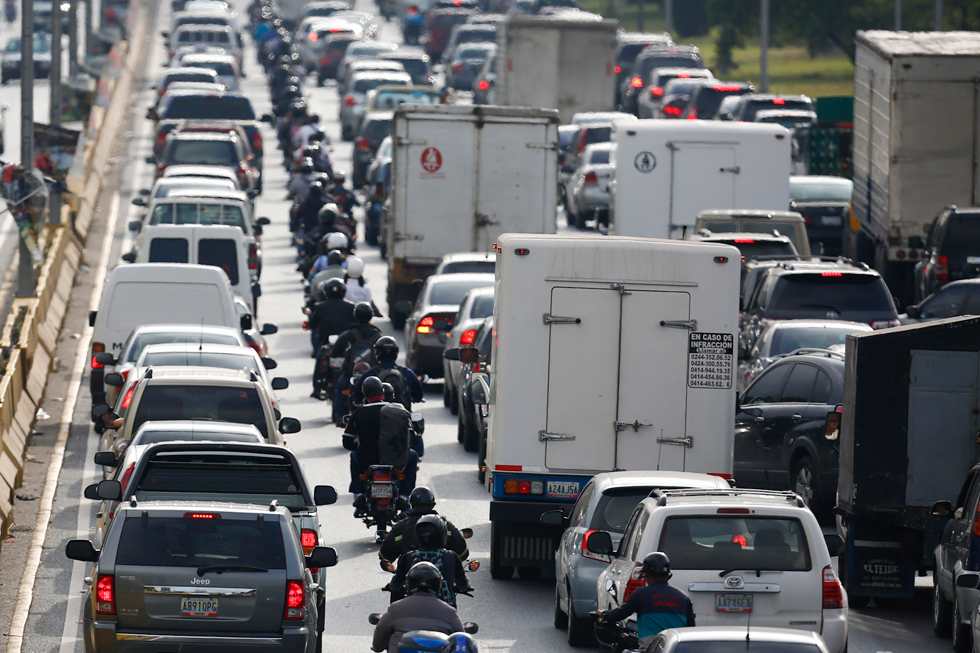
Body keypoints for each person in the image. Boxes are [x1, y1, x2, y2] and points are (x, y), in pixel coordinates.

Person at [344, 376, 419, 515]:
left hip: (367, 461)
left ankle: (359, 494)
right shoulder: (397, 411)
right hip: (395, 461)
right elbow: (410, 436)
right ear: (383, 393)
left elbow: (347, 442)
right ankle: (404, 497)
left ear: (364, 394)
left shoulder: (358, 414)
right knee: (413, 456)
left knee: (353, 455)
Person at [595, 552, 695, 649]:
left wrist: (603, 614)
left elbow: (621, 613)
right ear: (667, 574)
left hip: (650, 648)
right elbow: (690, 629)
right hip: (677, 648)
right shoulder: (684, 598)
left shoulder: (640, 594)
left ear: (646, 574)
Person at [371, 562, 464, 653]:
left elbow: (380, 637)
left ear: (408, 584)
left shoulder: (396, 608)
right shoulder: (449, 611)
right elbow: (462, 642)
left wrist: (377, 648)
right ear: (439, 585)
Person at [390, 515, 470, 607]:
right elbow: (462, 583)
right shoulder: (451, 556)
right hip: (445, 611)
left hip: (413, 609)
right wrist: (464, 587)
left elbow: (396, 583)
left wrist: (393, 587)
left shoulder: (408, 557)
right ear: (442, 533)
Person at [380, 487, 469, 566]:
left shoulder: (401, 526)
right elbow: (462, 552)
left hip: (409, 578)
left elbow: (385, 555)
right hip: (441, 577)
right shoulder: (444, 524)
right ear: (432, 505)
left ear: (412, 504)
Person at [329, 302, 381, 421]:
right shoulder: (377, 334)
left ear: (355, 315)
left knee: (340, 388)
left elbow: (335, 352)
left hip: (350, 373)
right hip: (373, 374)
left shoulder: (348, 333)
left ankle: (340, 416)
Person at [353, 336, 424, 410]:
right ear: (396, 352)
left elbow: (357, 395)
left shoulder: (370, 373)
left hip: (377, 417)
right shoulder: (406, 372)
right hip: (403, 415)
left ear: (377, 352)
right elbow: (419, 395)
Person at [307, 278, 355, 354]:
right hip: (345, 340)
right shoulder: (350, 306)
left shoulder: (320, 306)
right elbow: (355, 323)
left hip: (325, 340)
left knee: (319, 357)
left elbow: (312, 324)